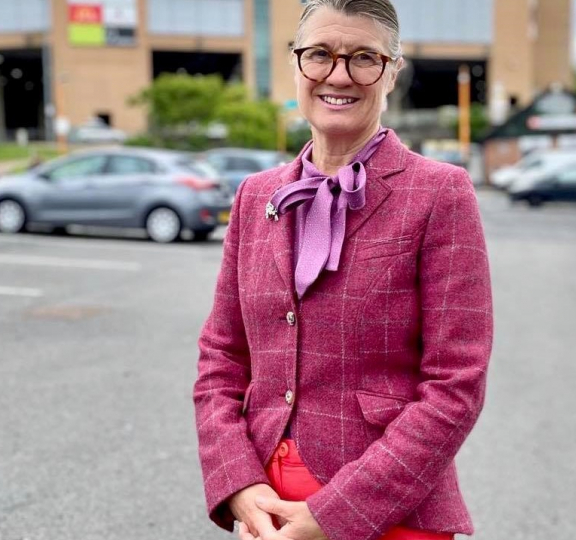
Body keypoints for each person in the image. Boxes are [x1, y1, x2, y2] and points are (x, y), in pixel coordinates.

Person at [193, 1, 493, 539]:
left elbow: (456, 383)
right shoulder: (255, 195)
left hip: (391, 509)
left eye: (363, 58)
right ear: (295, 64)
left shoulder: (439, 193)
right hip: (266, 504)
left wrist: (334, 515)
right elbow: (221, 356)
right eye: (321, 55)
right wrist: (238, 483)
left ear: (393, 71)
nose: (339, 75)